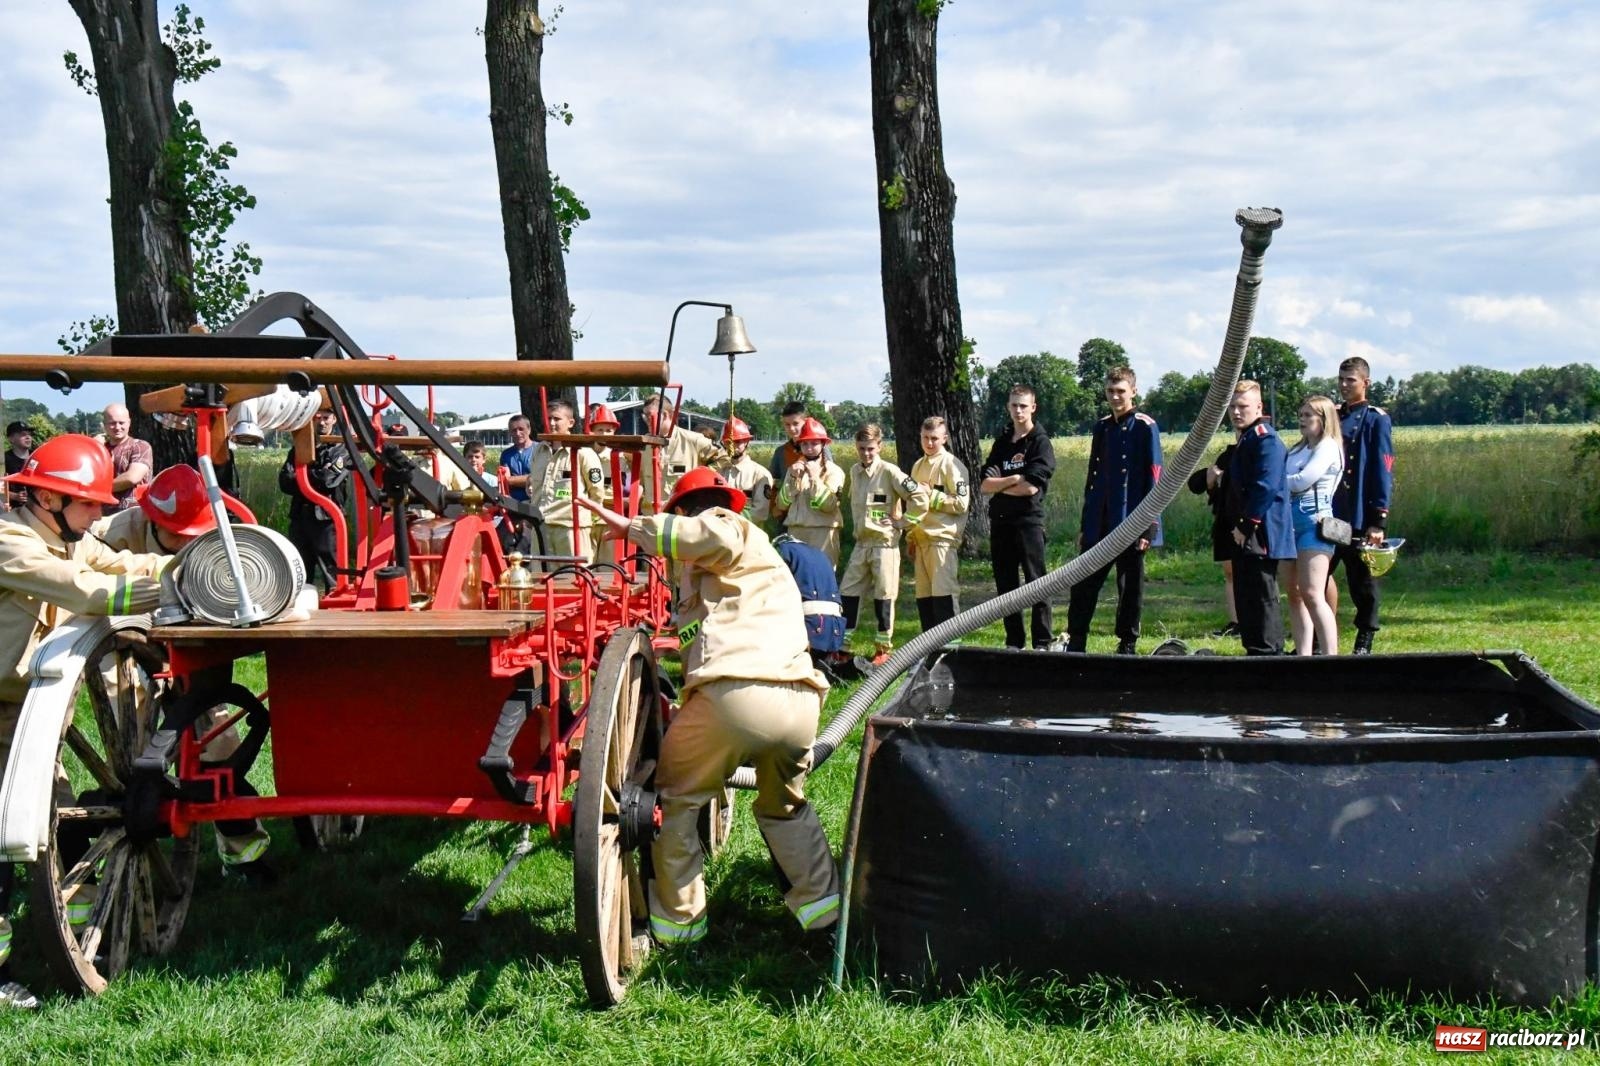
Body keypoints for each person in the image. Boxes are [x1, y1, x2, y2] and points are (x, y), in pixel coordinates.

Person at [579, 469, 839, 945]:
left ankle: (679, 929)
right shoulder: (733, 573)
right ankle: (824, 919)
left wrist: (634, 527)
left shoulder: (728, 525)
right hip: (799, 701)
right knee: (785, 806)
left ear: (682, 511)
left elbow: (709, 532)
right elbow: (702, 634)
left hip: (736, 697)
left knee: (676, 800)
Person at [0, 434, 170, 1010]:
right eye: (89, 503)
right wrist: (140, 593)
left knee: (60, 820)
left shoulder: (68, 537)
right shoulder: (9, 542)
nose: (101, 512)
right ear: (47, 499)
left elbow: (121, 561)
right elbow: (78, 587)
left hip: (12, 712)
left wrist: (196, 565)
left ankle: (73, 930)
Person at [90, 464, 274, 870]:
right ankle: (140, 793)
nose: (182, 545)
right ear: (151, 519)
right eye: (175, 535)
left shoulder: (220, 534)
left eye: (191, 536)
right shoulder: (113, 533)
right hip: (130, 644)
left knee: (216, 740)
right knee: (131, 723)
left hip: (198, 645)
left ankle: (245, 849)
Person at [1065, 368, 1163, 655]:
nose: (1115, 396)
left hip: (1133, 516)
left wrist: (1149, 526)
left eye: (1121, 390)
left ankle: (1127, 642)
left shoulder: (1145, 426)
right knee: (1083, 581)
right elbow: (1093, 477)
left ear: (1133, 391)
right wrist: (1086, 522)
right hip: (1101, 517)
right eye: (1110, 391)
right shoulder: (1103, 427)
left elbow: (1155, 477)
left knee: (1130, 584)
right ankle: (1076, 639)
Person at [839, 424, 924, 668]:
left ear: (880, 447)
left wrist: (902, 522)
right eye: (861, 449)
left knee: (884, 596)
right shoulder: (855, 472)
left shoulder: (890, 472)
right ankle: (843, 647)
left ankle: (883, 649)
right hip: (861, 544)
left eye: (870, 449)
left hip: (884, 544)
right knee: (848, 592)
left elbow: (919, 498)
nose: (866, 454)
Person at [1327, 357, 1395, 655]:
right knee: (1317, 576)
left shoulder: (1375, 418)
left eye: (1350, 380)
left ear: (1365, 383)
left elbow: (1382, 469)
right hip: (1329, 511)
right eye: (1341, 379)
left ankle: (1365, 637)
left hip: (1356, 513)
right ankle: (1321, 637)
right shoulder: (1333, 416)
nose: (1343, 385)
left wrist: (1377, 520)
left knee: (1361, 583)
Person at [980, 385, 1056, 650]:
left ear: (1033, 407)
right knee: (1006, 585)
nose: (1019, 410)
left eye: (1024, 405)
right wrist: (1013, 479)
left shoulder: (1040, 442)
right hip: (1000, 522)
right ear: (1008, 407)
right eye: (1014, 405)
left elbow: (1031, 487)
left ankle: (1043, 642)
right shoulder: (1002, 442)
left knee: (1037, 582)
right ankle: (1014, 642)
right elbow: (984, 484)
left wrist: (1001, 484)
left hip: (1028, 521)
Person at [1223, 382, 1296, 655]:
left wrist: (1246, 525)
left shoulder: (1266, 439)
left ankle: (1268, 652)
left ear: (1259, 407)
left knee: (1262, 595)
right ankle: (1254, 648)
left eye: (1243, 406)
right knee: (1246, 593)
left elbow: (1265, 487)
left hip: (1261, 530)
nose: (1237, 412)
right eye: (1233, 407)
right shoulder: (1247, 437)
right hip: (1246, 531)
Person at [1282, 395, 1343, 656]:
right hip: (1288, 523)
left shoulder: (1328, 446)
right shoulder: (1297, 449)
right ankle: (1303, 655)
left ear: (1324, 419)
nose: (1303, 420)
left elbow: (1303, 480)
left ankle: (1331, 655)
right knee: (1293, 593)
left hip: (1313, 521)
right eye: (1301, 415)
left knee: (1312, 592)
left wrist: (1274, 483)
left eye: (1309, 415)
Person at [905, 415, 969, 631]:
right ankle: (929, 650)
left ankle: (949, 649)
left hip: (942, 539)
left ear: (945, 438)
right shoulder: (917, 466)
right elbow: (914, 505)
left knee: (944, 594)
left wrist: (931, 495)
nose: (929, 443)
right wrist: (911, 536)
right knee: (924, 598)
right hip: (921, 540)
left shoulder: (952, 465)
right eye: (925, 438)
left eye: (934, 438)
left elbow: (961, 503)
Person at [279, 410, 351, 589]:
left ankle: (336, 608)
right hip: (299, 517)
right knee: (299, 571)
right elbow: (284, 482)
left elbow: (328, 480)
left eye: (326, 418)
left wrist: (302, 476)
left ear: (334, 419)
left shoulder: (341, 448)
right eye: (317, 418)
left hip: (326, 519)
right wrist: (316, 474)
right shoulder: (298, 449)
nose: (321, 422)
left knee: (332, 572)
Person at [527, 400, 604, 565]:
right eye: (549, 419)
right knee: (542, 580)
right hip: (541, 527)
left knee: (575, 579)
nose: (552, 423)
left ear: (570, 422)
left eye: (556, 419)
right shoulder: (539, 451)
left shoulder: (583, 453)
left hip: (571, 528)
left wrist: (588, 520)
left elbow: (596, 492)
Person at [772, 533, 850, 680]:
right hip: (835, 631)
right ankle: (827, 668)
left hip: (810, 628)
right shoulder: (819, 554)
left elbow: (773, 591)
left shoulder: (782, 551)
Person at [774, 417, 845, 566]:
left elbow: (828, 506)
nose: (809, 448)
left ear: (823, 444)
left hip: (822, 532)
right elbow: (781, 504)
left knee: (823, 579)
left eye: (814, 443)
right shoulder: (793, 470)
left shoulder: (834, 471)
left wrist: (814, 478)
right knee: (797, 580)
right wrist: (793, 480)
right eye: (805, 444)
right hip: (795, 531)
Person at [1187, 441, 1240, 638]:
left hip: (1247, 520)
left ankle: (1251, 621)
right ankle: (1236, 622)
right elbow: (1200, 485)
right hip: (1225, 519)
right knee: (1230, 572)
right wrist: (1210, 482)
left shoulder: (1260, 447)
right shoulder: (1228, 455)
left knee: (1251, 576)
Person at [641, 393, 725, 501]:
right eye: (644, 416)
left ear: (666, 415)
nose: (647, 420)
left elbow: (723, 457)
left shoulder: (692, 440)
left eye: (650, 416)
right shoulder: (644, 444)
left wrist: (700, 476)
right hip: (651, 515)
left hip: (680, 515)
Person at [715, 416, 774, 525]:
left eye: (737, 442)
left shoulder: (760, 474)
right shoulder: (718, 473)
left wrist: (729, 520)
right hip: (722, 535)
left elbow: (760, 513)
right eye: (728, 442)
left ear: (747, 441)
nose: (732, 446)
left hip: (748, 536)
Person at [101, 403, 153, 513]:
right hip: (101, 515)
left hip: (133, 515)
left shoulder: (140, 446)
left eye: (121, 423)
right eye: (112, 423)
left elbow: (132, 477)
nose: (117, 427)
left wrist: (98, 488)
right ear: (104, 425)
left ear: (129, 423)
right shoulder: (99, 450)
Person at [768, 401, 810, 481]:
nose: (791, 428)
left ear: (805, 422)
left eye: (795, 423)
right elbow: (773, 480)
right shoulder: (781, 452)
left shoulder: (819, 449)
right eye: (787, 424)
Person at [3, 422, 32, 511]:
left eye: (29, 434)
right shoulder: (3, 460)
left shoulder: (38, 457)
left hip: (35, 510)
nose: (28, 437)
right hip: (12, 511)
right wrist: (14, 496)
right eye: (23, 434)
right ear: (11, 439)